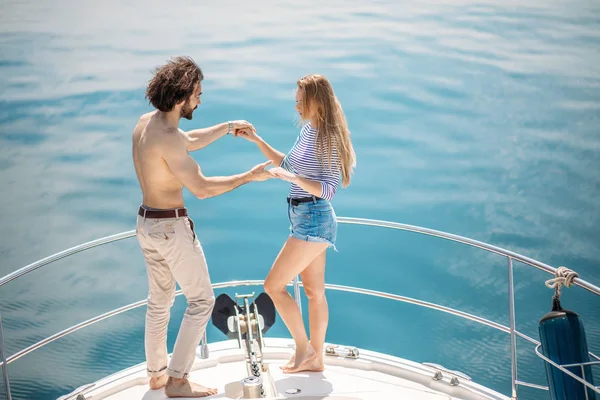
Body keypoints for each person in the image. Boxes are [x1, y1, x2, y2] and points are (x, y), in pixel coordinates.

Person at [132, 56, 272, 398]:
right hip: (170, 229)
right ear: (181, 96)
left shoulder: (147, 124)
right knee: (201, 301)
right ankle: (177, 380)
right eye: (197, 92)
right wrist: (249, 176)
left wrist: (227, 127)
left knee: (159, 301)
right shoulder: (168, 138)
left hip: (146, 224)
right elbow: (203, 189)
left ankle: (156, 375)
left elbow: (187, 140)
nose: (200, 98)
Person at [237, 74, 356, 373]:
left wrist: (290, 179)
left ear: (315, 101)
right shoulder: (308, 130)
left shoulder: (327, 139)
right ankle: (316, 359)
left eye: (300, 101)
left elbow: (328, 188)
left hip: (314, 219)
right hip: (304, 217)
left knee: (273, 285)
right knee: (314, 293)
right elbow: (288, 165)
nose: (296, 106)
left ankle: (304, 349)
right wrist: (256, 140)